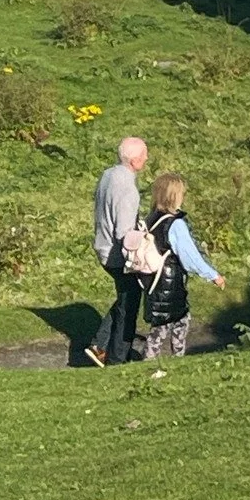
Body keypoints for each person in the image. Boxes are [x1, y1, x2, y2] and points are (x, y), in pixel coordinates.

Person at [140, 171, 224, 362]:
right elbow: (190, 257)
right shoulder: (175, 224)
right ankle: (176, 359)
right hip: (171, 282)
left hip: (153, 280)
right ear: (174, 196)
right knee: (177, 321)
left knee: (161, 323)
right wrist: (212, 275)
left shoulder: (151, 218)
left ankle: (153, 359)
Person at [86, 135, 148, 367]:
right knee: (130, 302)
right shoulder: (128, 189)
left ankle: (100, 345)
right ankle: (117, 356)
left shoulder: (108, 175)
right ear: (134, 160)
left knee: (126, 296)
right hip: (116, 255)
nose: (146, 158)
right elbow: (124, 234)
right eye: (144, 155)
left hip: (102, 246)